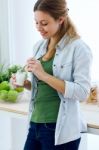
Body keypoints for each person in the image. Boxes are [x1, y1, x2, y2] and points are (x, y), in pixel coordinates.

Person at [11, 0, 92, 149]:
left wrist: (44, 75)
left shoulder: (78, 48)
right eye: (36, 22)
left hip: (59, 130)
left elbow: (82, 92)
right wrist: (26, 84)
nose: (38, 28)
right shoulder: (39, 46)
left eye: (44, 23)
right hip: (35, 124)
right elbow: (43, 87)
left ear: (60, 20)